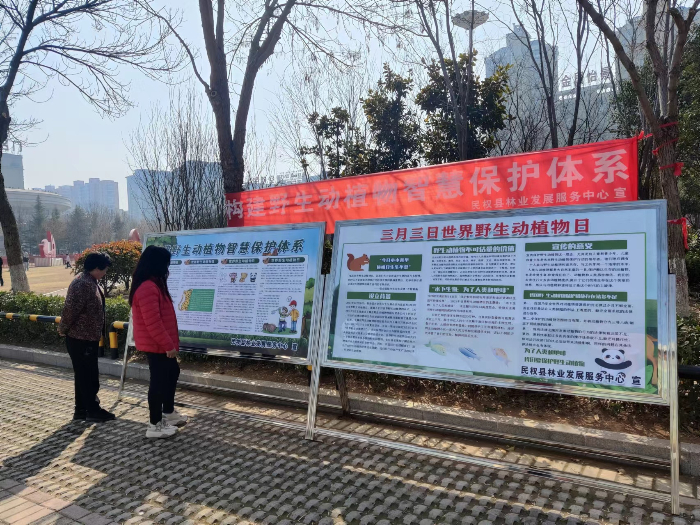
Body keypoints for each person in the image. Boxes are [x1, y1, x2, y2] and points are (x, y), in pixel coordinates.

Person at [130, 246, 187, 439]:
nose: (167, 268)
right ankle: (154, 425)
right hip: (157, 345)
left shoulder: (154, 284)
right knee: (159, 382)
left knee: (172, 373)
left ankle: (168, 413)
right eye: (165, 264)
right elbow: (153, 322)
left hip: (160, 344)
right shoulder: (148, 287)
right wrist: (168, 345)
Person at [58, 252, 115, 422]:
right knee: (88, 376)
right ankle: (92, 410)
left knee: (84, 375)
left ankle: (81, 410)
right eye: (104, 269)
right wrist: (63, 329)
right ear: (96, 268)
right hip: (80, 338)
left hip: (87, 337)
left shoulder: (89, 281)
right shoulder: (82, 284)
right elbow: (70, 311)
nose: (105, 272)